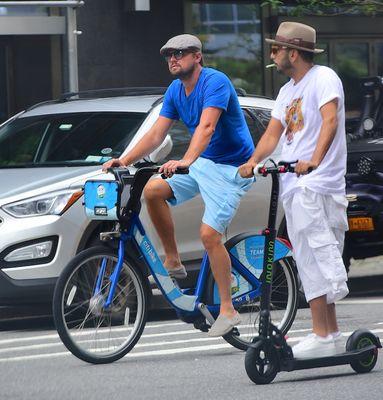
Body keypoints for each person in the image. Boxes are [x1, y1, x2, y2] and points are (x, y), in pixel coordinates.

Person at [103, 34, 255, 336]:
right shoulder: (175, 90)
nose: (173, 59)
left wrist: (185, 160)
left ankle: (228, 309)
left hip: (231, 169)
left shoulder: (216, 82)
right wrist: (124, 159)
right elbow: (156, 134)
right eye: (168, 55)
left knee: (209, 235)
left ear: (197, 57)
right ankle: (173, 259)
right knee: (152, 191)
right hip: (202, 164)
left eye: (180, 53)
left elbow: (207, 126)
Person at [239, 22, 349, 358]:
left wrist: (313, 160)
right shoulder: (287, 91)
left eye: (276, 48)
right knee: (306, 256)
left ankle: (322, 332)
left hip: (318, 181)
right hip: (293, 183)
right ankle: (329, 334)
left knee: (316, 254)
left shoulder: (323, 78)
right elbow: (273, 135)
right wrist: (252, 161)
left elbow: (330, 120)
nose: (271, 54)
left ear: (293, 51)